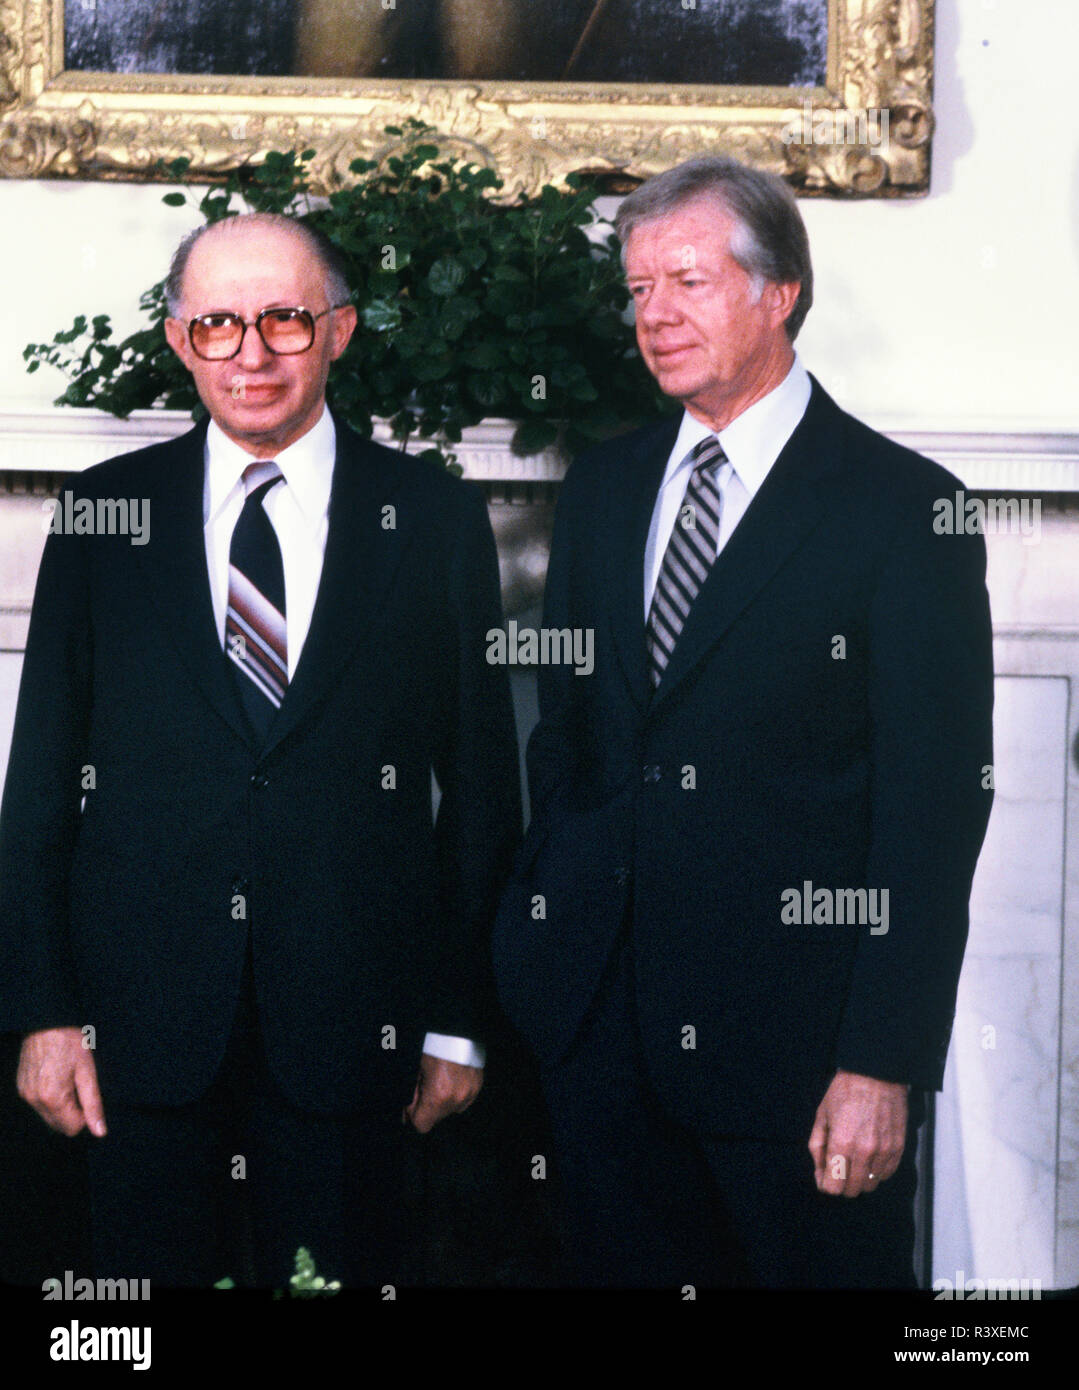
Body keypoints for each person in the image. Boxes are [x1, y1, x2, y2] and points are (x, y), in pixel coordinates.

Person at [492, 156, 995, 1289]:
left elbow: (929, 815)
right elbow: (564, 743)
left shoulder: (902, 510)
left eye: (686, 281)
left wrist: (880, 1063)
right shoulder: (607, 488)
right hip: (596, 1048)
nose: (652, 315)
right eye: (636, 289)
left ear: (779, 294)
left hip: (800, 1070)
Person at [0, 212, 521, 1288]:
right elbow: (41, 788)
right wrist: (43, 1011)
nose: (251, 353)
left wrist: (459, 1020)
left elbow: (480, 794)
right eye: (220, 324)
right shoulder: (105, 517)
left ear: (338, 328)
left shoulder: (428, 521)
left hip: (356, 1029)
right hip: (135, 1030)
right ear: (181, 339)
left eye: (283, 319)